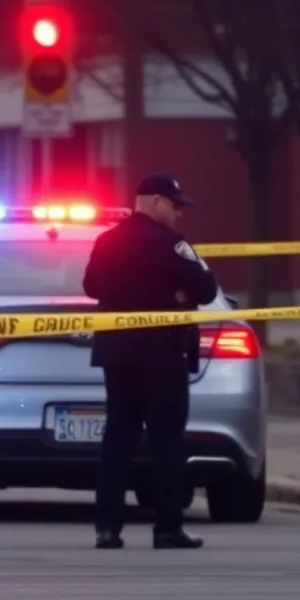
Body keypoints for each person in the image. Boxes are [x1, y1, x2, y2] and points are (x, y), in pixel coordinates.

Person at [83, 173, 218, 550]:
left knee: (117, 441)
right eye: (175, 206)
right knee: (167, 444)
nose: (179, 214)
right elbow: (207, 289)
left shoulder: (107, 240)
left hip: (117, 355)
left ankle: (107, 528)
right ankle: (167, 528)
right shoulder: (172, 244)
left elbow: (91, 286)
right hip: (163, 355)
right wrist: (174, 291)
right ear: (156, 202)